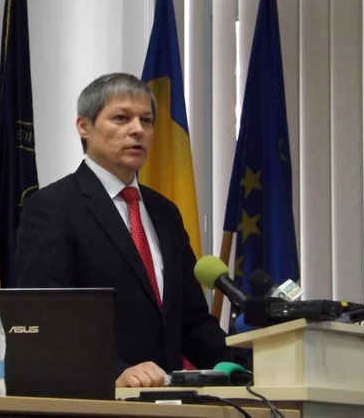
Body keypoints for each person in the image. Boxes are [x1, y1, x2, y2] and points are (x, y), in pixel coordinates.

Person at [14, 72, 231, 388]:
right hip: (97, 399)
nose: (137, 130)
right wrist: (113, 371)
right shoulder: (52, 207)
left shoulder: (165, 213)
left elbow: (192, 323)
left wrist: (256, 364)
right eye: (121, 118)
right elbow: (48, 319)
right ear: (84, 126)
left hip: (168, 402)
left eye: (146, 120)